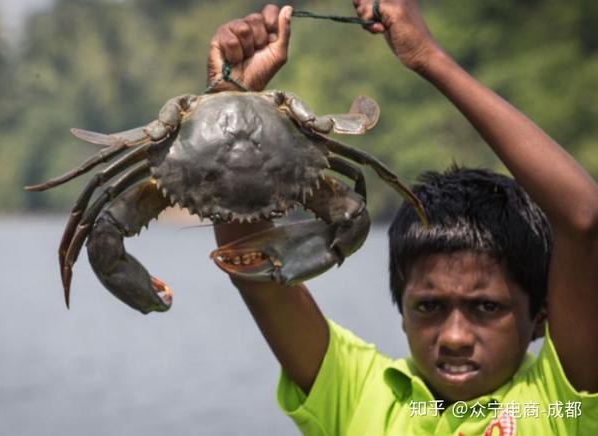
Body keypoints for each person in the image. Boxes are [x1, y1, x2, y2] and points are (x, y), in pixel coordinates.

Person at [208, 1, 598, 434]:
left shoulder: (561, 404)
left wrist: (430, 59)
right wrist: (233, 110)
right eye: (429, 306)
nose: (453, 338)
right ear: (401, 308)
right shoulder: (359, 394)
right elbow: (253, 268)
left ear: (541, 316)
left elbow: (582, 218)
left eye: (486, 307)